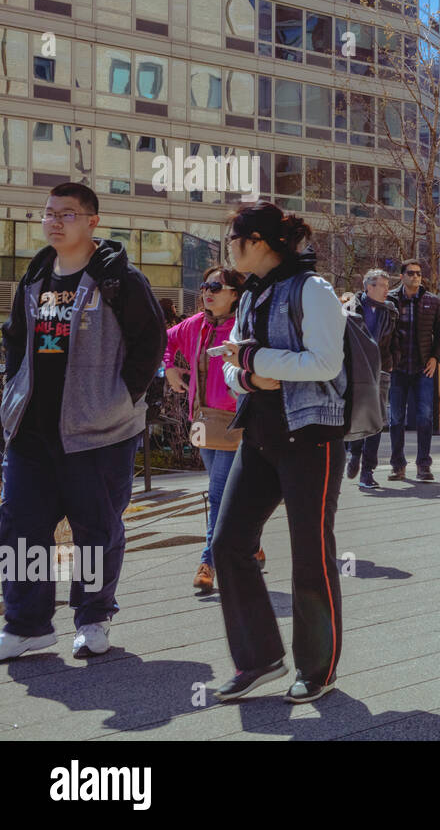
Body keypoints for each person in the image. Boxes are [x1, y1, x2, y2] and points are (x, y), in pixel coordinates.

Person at [0, 182, 166, 661]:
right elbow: (14, 340)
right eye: (49, 213)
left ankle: (93, 618)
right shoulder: (35, 275)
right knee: (21, 528)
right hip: (32, 430)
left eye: (67, 214)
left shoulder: (119, 279)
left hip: (99, 432)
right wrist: (13, 392)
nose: (54, 221)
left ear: (92, 220)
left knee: (94, 529)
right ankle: (27, 624)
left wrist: (119, 400)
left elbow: (149, 343)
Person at [209, 201, 346, 704]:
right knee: (228, 543)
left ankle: (317, 668)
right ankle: (259, 657)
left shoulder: (313, 290)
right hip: (261, 433)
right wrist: (244, 373)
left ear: (259, 242)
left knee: (311, 552)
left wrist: (252, 360)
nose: (228, 248)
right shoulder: (251, 293)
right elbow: (231, 361)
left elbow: (326, 362)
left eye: (233, 238)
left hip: (311, 435)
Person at [164, 264, 258, 592]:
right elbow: (163, 342)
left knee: (218, 494)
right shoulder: (194, 325)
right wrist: (169, 370)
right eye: (205, 286)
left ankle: (208, 562)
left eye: (215, 287)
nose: (207, 292)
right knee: (223, 490)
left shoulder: (243, 327)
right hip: (201, 421)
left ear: (235, 294)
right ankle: (250, 540)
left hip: (235, 421)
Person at [386, 259, 440, 482]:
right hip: (397, 369)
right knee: (395, 419)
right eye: (411, 273)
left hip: (423, 369)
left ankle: (423, 464)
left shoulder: (432, 301)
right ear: (401, 276)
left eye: (419, 274)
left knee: (424, 417)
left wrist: (435, 358)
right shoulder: (390, 300)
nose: (416, 277)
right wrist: (387, 359)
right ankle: (397, 465)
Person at [345, 269, 397, 491]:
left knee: (376, 421)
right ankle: (354, 453)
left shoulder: (391, 311)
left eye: (387, 285)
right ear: (369, 287)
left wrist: (393, 360)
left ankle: (368, 471)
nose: (387, 289)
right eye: (382, 285)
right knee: (357, 417)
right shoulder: (350, 308)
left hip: (381, 369)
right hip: (356, 371)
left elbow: (396, 339)